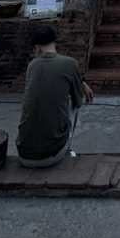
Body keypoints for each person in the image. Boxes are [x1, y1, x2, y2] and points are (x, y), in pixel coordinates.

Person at [17, 25, 93, 168]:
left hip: (24, 153)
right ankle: (67, 148)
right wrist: (80, 84)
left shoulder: (32, 65)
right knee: (75, 104)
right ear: (54, 42)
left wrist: (81, 82)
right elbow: (78, 101)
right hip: (52, 155)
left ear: (37, 48)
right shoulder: (70, 63)